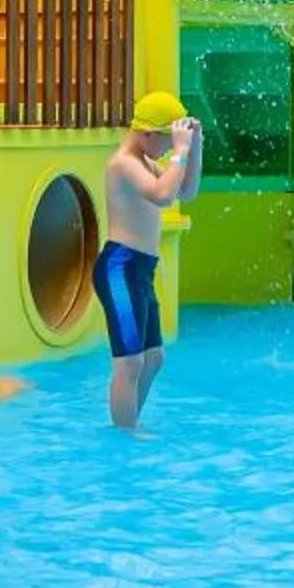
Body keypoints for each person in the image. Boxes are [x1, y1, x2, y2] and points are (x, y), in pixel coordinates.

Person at [96, 89, 201, 430]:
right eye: (166, 141)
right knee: (129, 363)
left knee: (153, 359)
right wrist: (181, 152)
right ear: (146, 134)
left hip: (139, 271)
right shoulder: (124, 163)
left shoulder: (145, 161)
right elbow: (161, 194)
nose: (170, 148)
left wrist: (194, 146)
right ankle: (124, 436)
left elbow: (186, 191)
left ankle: (128, 425)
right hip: (119, 268)